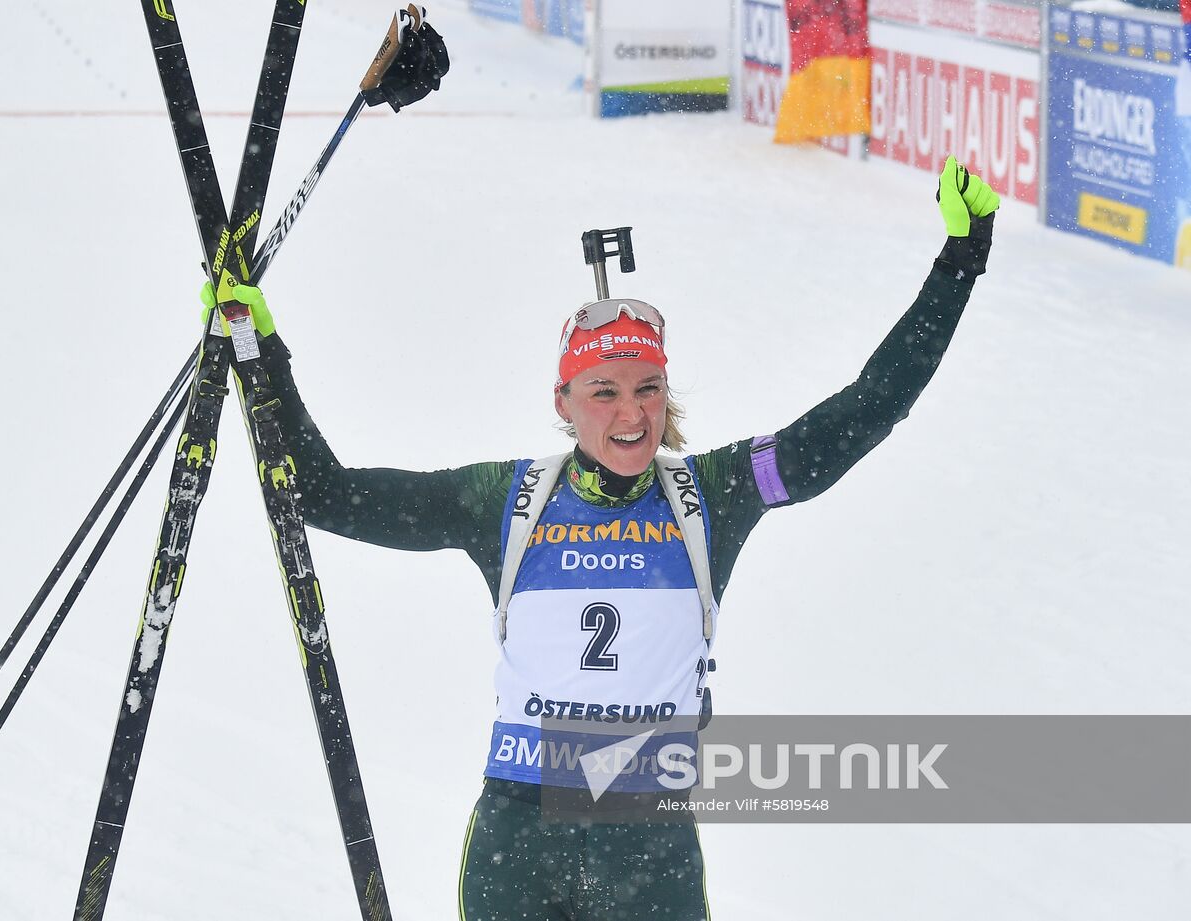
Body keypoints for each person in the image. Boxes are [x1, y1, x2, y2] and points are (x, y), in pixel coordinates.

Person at [202, 155, 999, 920]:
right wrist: (259, 351)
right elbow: (324, 492)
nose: (632, 413)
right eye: (605, 391)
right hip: (520, 836)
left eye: (649, 387)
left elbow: (864, 412)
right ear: (565, 400)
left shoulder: (710, 492)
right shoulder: (506, 499)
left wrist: (959, 263)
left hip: (647, 843)